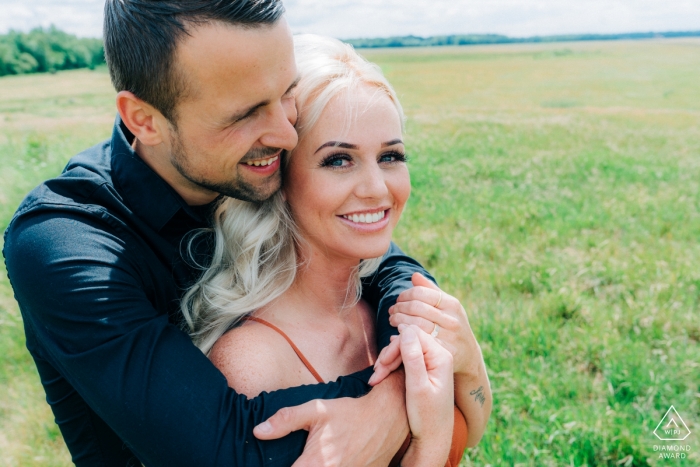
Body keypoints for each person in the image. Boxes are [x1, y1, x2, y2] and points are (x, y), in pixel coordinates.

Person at [1, 1, 459, 466]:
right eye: (245, 113)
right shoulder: (66, 240)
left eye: (287, 93)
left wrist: (417, 324)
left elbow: (370, 250)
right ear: (144, 119)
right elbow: (227, 450)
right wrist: (406, 390)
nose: (286, 134)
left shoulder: (245, 165)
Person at [182, 34, 492, 466]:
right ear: (279, 179)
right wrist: (429, 443)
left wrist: (471, 360)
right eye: (339, 160)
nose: (376, 188)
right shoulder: (252, 364)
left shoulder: (391, 301)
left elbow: (472, 427)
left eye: (390, 156)